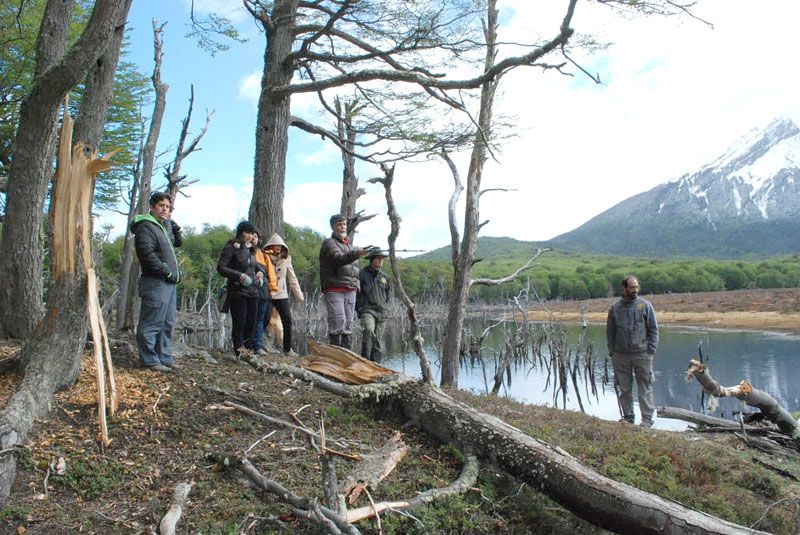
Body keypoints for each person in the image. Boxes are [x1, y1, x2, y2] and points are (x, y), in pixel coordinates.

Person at [131, 191, 182, 373]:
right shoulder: (146, 226)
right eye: (161, 206)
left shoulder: (162, 226)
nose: (165, 209)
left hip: (169, 283)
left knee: (167, 322)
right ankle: (149, 360)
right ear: (152, 207)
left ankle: (164, 358)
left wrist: (173, 228)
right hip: (155, 281)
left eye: (168, 207)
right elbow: (146, 254)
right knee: (152, 321)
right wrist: (165, 270)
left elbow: (176, 243)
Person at [606, 275, 660, 428]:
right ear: (623, 288)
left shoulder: (645, 306)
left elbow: (654, 330)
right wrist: (612, 352)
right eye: (631, 287)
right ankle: (628, 416)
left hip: (642, 354)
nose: (635, 290)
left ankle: (647, 419)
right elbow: (610, 332)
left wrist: (651, 350)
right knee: (624, 388)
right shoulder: (615, 308)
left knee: (645, 386)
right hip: (621, 355)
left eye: (637, 287)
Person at [319, 214, 369, 349]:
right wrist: (357, 253)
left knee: (348, 324)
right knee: (337, 322)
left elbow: (353, 269)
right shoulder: (329, 243)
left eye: (344, 224)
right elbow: (338, 260)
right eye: (339, 224)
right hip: (334, 288)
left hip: (350, 289)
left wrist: (356, 286)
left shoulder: (349, 246)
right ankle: (336, 357)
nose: (342, 227)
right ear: (333, 227)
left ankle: (347, 355)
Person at [217, 221, 264, 357]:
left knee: (251, 322)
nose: (250, 236)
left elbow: (256, 266)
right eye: (247, 233)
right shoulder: (232, 247)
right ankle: (239, 351)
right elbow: (221, 267)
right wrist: (239, 276)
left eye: (252, 233)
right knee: (240, 322)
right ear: (240, 232)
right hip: (237, 291)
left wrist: (260, 272)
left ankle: (249, 351)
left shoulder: (250, 249)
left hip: (253, 291)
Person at [264, 233, 304, 356]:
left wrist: (299, 295)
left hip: (281, 294)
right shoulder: (265, 257)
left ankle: (287, 349)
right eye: (277, 246)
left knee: (287, 321)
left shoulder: (286, 259)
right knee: (264, 319)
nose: (279, 248)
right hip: (268, 293)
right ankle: (258, 345)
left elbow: (292, 278)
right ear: (271, 245)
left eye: (281, 246)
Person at [356, 251, 390, 361]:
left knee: (378, 338)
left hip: (381, 311)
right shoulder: (362, 274)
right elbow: (356, 293)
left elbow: (387, 295)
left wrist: (386, 308)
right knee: (369, 331)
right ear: (372, 260)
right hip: (367, 309)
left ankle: (376, 363)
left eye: (382, 258)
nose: (380, 260)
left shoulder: (384, 277)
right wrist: (359, 309)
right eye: (378, 258)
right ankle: (364, 360)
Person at [252, 231, 278, 355]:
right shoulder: (241, 251)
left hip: (263, 292)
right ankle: (253, 346)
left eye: (256, 236)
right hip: (248, 292)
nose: (253, 238)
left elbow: (271, 275)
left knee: (264, 318)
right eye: (251, 235)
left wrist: (273, 289)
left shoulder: (263, 255)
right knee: (250, 318)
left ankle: (257, 345)